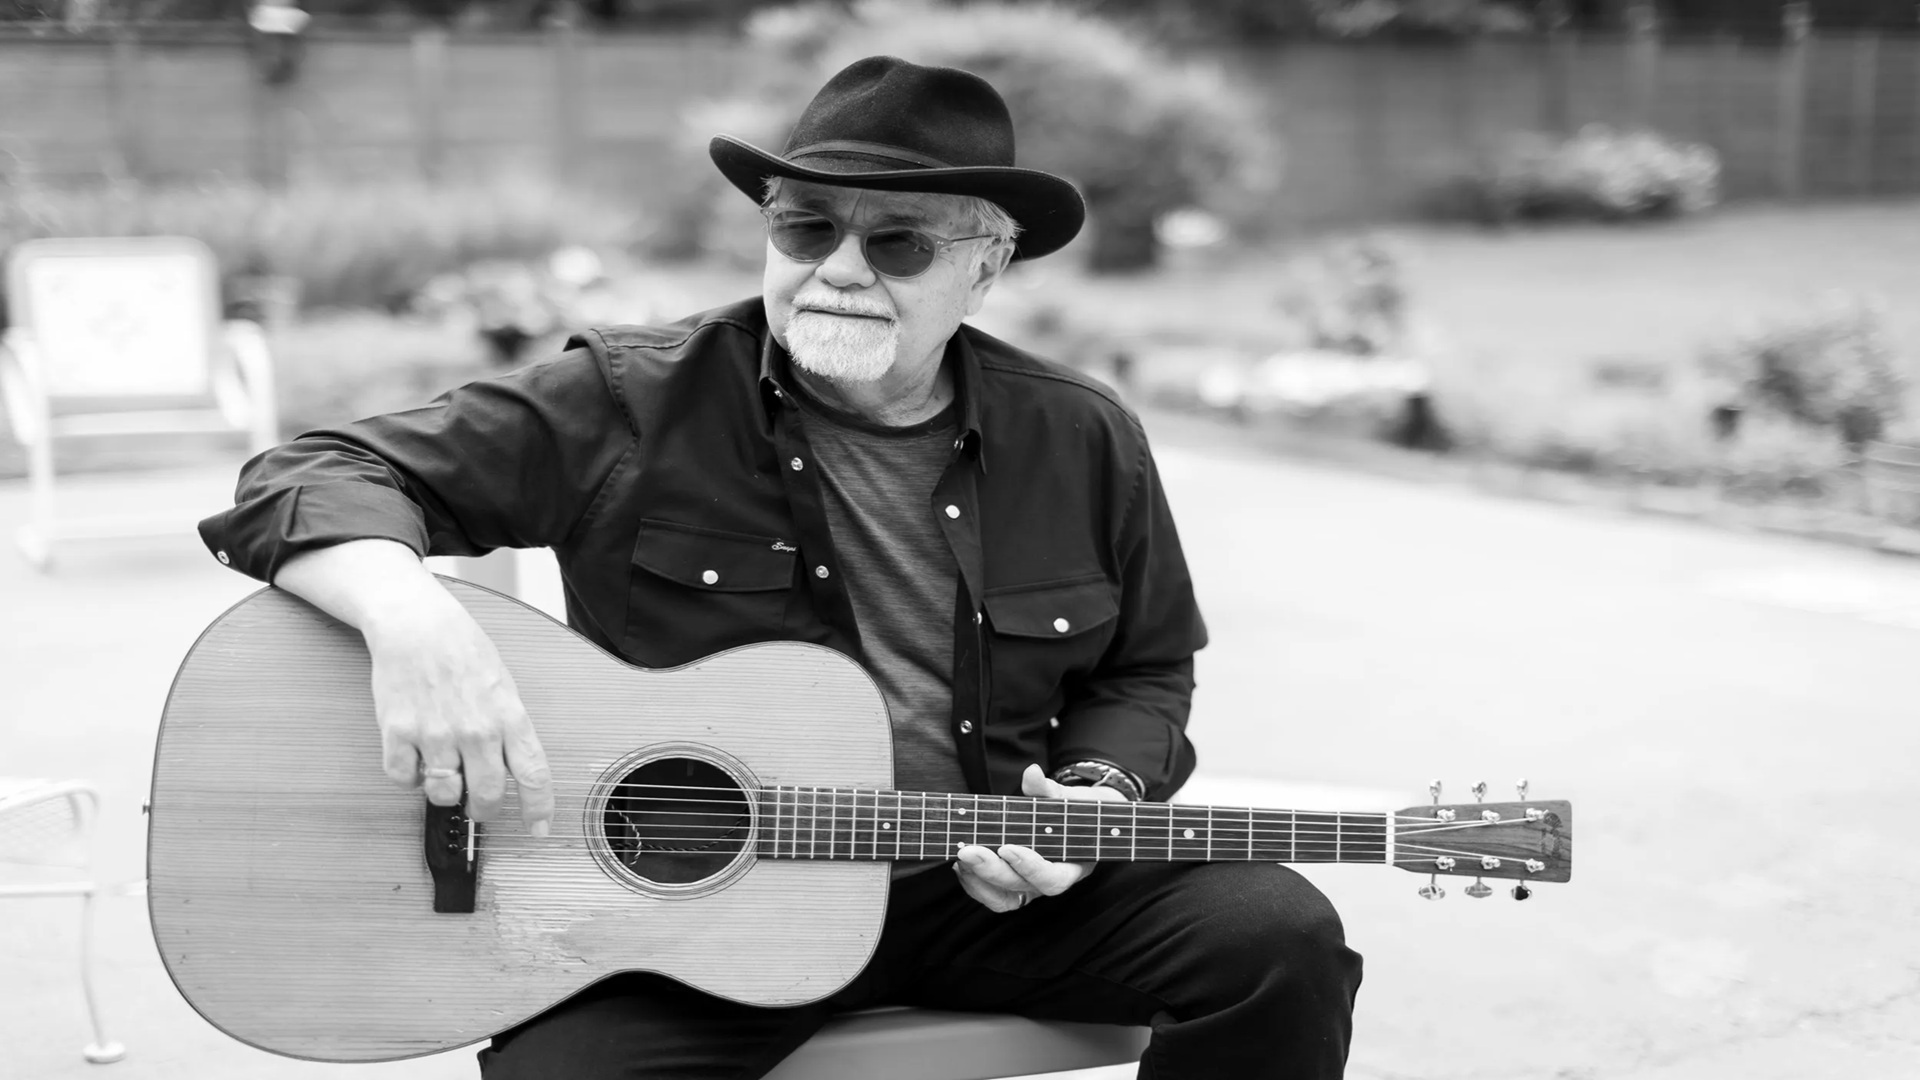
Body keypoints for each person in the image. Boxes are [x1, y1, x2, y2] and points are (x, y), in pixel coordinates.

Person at [198, 55, 1362, 1079]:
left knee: (1279, 943)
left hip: (977, 893)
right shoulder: (632, 397)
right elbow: (307, 472)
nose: (839, 270)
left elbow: (1146, 670)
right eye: (806, 228)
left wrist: (1095, 806)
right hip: (689, 909)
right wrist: (409, 616)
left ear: (987, 269)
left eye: (898, 242)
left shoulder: (1081, 434)